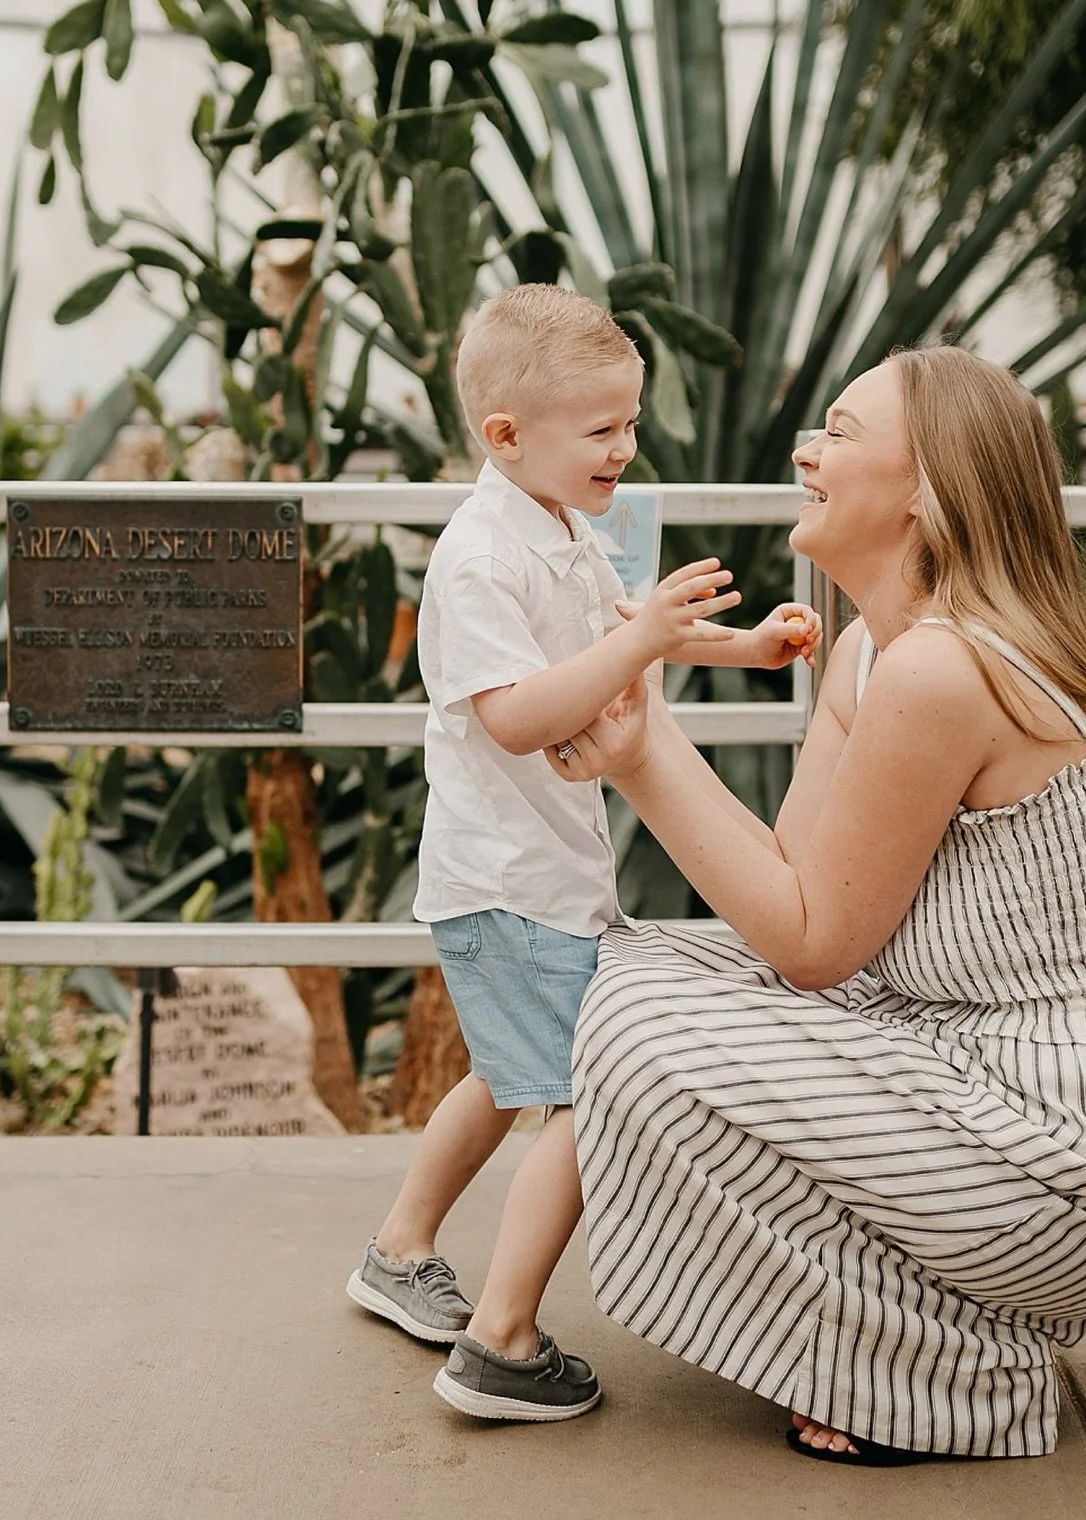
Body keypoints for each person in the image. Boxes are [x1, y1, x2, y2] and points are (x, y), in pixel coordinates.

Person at [551, 345, 1086, 1464]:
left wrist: (641, 751)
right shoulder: (866, 656)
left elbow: (808, 947)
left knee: (647, 1026)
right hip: (960, 1092)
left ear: (929, 488)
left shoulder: (947, 669)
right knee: (637, 973)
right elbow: (790, 892)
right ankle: (929, 1333)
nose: (805, 449)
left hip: (1065, 1164)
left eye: (840, 431)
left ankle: (955, 1376)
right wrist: (646, 733)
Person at [347, 284, 821, 1421]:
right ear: (506, 435)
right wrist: (650, 638)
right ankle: (502, 1345)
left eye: (632, 422)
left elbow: (618, 635)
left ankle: (398, 1250)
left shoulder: (560, 521)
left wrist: (740, 646)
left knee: (507, 1078)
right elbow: (514, 715)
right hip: (507, 881)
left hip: (540, 872)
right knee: (577, 1096)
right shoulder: (477, 561)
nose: (626, 447)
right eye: (602, 428)